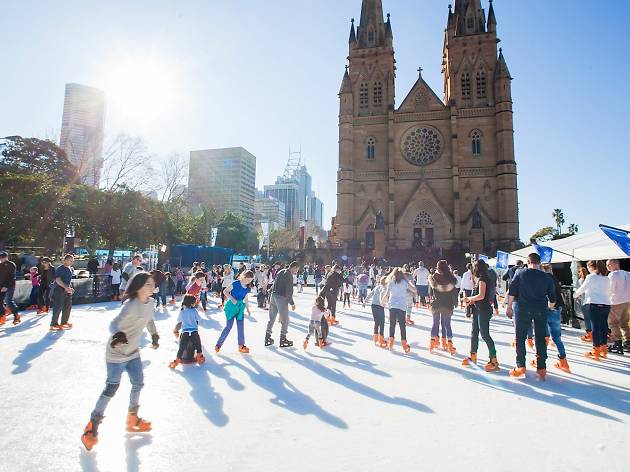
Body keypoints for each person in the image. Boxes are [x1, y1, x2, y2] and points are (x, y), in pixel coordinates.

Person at [80, 272, 160, 451]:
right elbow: (113, 324)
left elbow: (149, 320)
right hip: (116, 354)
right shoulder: (130, 305)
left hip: (133, 353)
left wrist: (154, 335)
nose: (151, 286)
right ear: (138, 287)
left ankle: (132, 419)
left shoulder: (151, 303)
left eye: (152, 283)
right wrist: (118, 335)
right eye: (147, 284)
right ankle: (92, 426)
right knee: (111, 388)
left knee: (138, 383)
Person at [506, 253, 556, 380]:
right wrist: (549, 307)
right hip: (540, 309)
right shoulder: (546, 277)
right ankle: (542, 368)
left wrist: (509, 306)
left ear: (527, 262)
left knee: (520, 337)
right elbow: (553, 298)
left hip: (522, 309)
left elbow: (512, 290)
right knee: (540, 338)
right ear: (539, 263)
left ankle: (521, 366)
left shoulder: (520, 273)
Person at [462, 259, 500, 372]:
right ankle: (473, 355)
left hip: (483, 310)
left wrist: (469, 298)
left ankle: (494, 360)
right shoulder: (481, 279)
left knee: (485, 334)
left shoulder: (483, 279)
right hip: (479, 309)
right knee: (474, 332)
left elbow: (481, 295)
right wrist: (472, 301)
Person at [573, 260, 611, 360]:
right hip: (606, 304)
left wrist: (575, 295)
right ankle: (603, 348)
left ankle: (596, 350)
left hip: (594, 303)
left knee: (595, 327)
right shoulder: (606, 278)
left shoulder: (591, 277)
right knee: (603, 326)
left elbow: (582, 288)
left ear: (591, 267)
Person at [541, 264, 571, 372]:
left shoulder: (544, 279)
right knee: (557, 337)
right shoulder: (555, 279)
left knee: (543, 337)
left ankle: (540, 360)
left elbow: (546, 294)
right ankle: (563, 361)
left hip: (547, 309)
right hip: (557, 309)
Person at [216, 270, 253, 353]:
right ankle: (218, 344)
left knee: (240, 327)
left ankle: (241, 346)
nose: (248, 282)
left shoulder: (247, 288)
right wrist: (232, 299)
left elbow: (246, 299)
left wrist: (247, 309)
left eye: (250, 281)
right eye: (247, 280)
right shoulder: (235, 283)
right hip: (231, 307)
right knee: (228, 326)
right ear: (243, 276)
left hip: (239, 308)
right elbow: (225, 291)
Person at [381, 267, 416, 353]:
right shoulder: (404, 282)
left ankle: (391, 343)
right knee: (402, 326)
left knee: (392, 324)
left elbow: (387, 294)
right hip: (402, 306)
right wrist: (410, 283)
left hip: (392, 306)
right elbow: (414, 290)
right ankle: (404, 344)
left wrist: (383, 301)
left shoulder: (391, 282)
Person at [265, 261, 299, 347]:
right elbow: (289, 291)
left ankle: (267, 337)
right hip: (281, 298)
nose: (296, 272)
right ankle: (283, 339)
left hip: (274, 296)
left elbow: (274, 283)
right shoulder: (289, 275)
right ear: (294, 267)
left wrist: (270, 293)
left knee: (272, 318)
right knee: (285, 320)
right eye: (297, 269)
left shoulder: (280, 271)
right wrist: (292, 303)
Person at [428, 260, 458, 354]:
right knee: (447, 325)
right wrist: (455, 303)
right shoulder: (451, 278)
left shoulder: (433, 278)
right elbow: (454, 293)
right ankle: (448, 344)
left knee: (435, 323)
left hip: (436, 304)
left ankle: (433, 342)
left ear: (437, 267)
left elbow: (430, 292)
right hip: (447, 305)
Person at [169, 294, 205, 368]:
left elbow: (179, 320)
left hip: (185, 332)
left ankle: (177, 360)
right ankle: (199, 356)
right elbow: (199, 319)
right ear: (192, 303)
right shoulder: (194, 310)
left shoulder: (182, 312)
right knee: (198, 344)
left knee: (181, 347)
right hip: (194, 332)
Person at [605, 259, 630, 354]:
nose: (607, 267)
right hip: (627, 300)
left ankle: (617, 344)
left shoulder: (612, 275)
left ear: (614, 264)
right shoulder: (628, 274)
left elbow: (610, 289)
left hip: (615, 301)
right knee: (625, 322)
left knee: (613, 323)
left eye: (608, 265)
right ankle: (628, 342)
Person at [50, 254, 75, 331]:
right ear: (65, 260)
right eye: (70, 260)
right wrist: (66, 287)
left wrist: (70, 288)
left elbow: (69, 280)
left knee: (67, 306)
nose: (72, 262)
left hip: (67, 290)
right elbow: (58, 280)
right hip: (59, 290)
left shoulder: (71, 269)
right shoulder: (60, 269)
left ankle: (64, 322)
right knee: (58, 307)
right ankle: (54, 324)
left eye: (72, 261)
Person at [365, 276, 387, 347]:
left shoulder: (377, 287)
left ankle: (375, 338)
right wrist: (383, 303)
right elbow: (382, 295)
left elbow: (371, 294)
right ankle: (381, 338)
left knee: (377, 322)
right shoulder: (384, 288)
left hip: (373, 305)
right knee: (382, 322)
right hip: (379, 306)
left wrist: (365, 301)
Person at [0, 251, 21, 326]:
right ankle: (2, 316)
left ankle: (16, 315)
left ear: (6, 257)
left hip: (10, 285)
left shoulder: (11, 265)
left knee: (8, 301)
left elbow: (12, 276)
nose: (1, 259)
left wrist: (6, 286)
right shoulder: (0, 265)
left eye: (3, 257)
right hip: (1, 286)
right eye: (0, 258)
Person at [576, 267, 591, 342]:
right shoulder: (589, 279)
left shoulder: (580, 281)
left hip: (584, 301)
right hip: (591, 301)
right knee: (592, 318)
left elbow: (578, 291)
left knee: (587, 318)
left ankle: (589, 332)